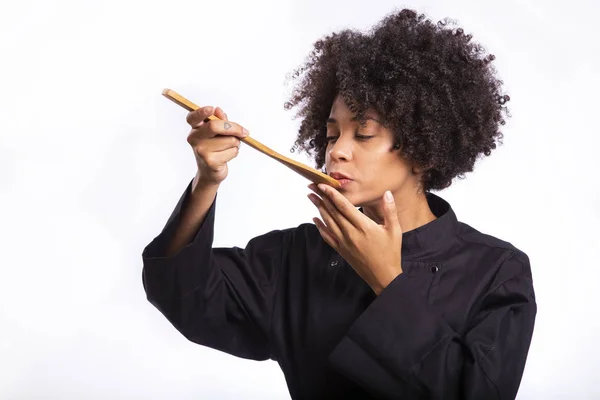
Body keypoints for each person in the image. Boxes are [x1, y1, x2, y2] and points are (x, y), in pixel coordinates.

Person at [141, 9, 536, 399]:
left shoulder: (497, 270)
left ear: (424, 150)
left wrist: (387, 279)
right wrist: (207, 181)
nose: (337, 152)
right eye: (332, 135)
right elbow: (184, 295)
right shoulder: (296, 257)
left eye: (362, 134)